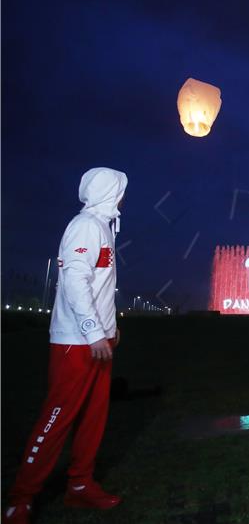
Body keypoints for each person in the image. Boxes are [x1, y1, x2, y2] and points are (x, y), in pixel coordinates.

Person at [3, 168, 128, 524]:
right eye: (121, 189)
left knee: (93, 418)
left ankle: (79, 486)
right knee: (57, 419)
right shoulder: (86, 225)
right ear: (109, 191)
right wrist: (92, 331)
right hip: (76, 344)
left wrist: (108, 328)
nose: (124, 196)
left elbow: (100, 286)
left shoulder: (104, 227)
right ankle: (21, 499)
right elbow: (74, 278)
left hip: (97, 342)